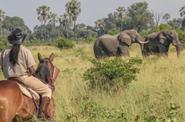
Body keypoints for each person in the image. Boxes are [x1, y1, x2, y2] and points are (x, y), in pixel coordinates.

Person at [0, 28, 52, 119]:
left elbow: (2, 68)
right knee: (47, 90)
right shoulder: (25, 51)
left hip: (8, 79)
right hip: (24, 78)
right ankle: (41, 115)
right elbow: (33, 70)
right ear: (22, 39)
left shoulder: (3, 52)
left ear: (11, 40)